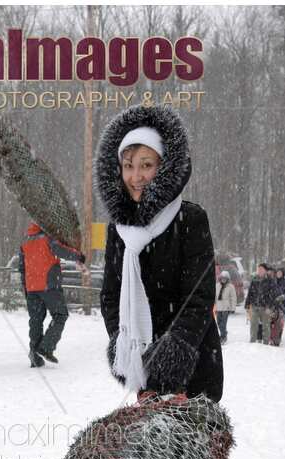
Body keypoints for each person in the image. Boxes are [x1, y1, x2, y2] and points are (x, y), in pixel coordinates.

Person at [96, 105, 222, 401]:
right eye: (128, 166)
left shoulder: (191, 219)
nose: (136, 176)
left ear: (164, 167)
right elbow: (110, 296)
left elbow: (199, 298)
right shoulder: (118, 230)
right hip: (141, 371)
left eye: (146, 165)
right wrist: (127, 345)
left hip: (193, 367)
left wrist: (169, 358)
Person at [18, 223, 86, 367]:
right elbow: (62, 251)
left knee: (36, 321)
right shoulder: (48, 239)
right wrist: (78, 256)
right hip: (49, 285)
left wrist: (26, 287)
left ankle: (35, 354)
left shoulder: (25, 243)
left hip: (31, 288)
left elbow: (21, 268)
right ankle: (46, 347)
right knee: (60, 315)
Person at [245, 263, 275, 344]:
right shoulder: (254, 280)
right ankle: (252, 342)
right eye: (258, 269)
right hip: (254, 306)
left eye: (261, 269)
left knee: (266, 326)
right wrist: (247, 304)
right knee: (253, 325)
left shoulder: (270, 281)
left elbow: (272, 295)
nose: (259, 271)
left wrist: (269, 306)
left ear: (265, 271)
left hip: (265, 307)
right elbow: (250, 293)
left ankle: (265, 343)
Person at [271, 267, 285, 346]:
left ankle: (278, 339)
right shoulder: (273, 282)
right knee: (272, 323)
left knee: (281, 324)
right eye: (277, 273)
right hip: (274, 306)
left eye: (280, 273)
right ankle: (272, 339)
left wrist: (284, 296)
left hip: (283, 306)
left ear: (283, 274)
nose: (278, 274)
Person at [215, 270, 237, 344]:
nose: (223, 279)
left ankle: (223, 337)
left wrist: (233, 308)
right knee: (218, 323)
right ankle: (224, 333)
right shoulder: (217, 286)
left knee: (223, 323)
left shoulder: (230, 286)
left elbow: (233, 297)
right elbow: (215, 297)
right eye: (222, 278)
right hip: (218, 307)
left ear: (227, 279)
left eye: (225, 278)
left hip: (226, 307)